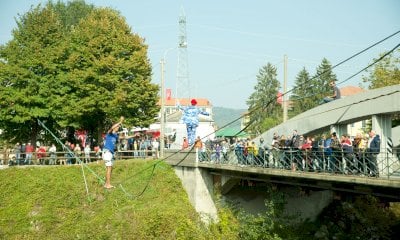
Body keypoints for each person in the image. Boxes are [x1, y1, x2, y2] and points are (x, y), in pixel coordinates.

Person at [103, 116, 125, 189]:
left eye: (118, 126)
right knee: (109, 168)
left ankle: (106, 183)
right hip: (107, 152)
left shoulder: (115, 136)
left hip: (110, 153)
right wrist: (120, 122)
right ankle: (108, 184)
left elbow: (124, 138)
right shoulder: (109, 133)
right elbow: (112, 128)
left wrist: (134, 135)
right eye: (117, 126)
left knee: (109, 168)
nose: (118, 127)